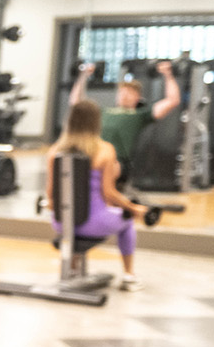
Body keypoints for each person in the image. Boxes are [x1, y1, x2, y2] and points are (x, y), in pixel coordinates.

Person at [44, 100, 148, 290]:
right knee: (128, 221)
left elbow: (50, 194)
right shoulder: (105, 150)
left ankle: (72, 270)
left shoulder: (55, 151)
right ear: (95, 122)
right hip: (95, 223)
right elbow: (109, 193)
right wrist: (133, 208)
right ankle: (129, 276)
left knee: (76, 218)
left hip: (61, 222)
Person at [71, 60, 181, 185]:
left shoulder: (140, 115)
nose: (124, 95)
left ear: (138, 98)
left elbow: (173, 100)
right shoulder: (103, 112)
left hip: (117, 162)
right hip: (93, 156)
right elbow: (76, 103)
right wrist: (83, 75)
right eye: (122, 92)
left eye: (129, 93)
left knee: (104, 166)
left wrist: (168, 74)